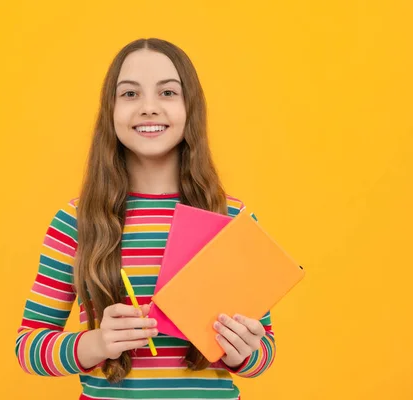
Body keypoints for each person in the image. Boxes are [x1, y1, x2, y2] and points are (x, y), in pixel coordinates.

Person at [15, 38, 276, 400]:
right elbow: (29, 347)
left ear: (191, 108)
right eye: (130, 94)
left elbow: (263, 354)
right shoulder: (75, 221)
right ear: (110, 110)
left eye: (168, 92)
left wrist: (244, 350)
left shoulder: (232, 218)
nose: (149, 108)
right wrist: (98, 343)